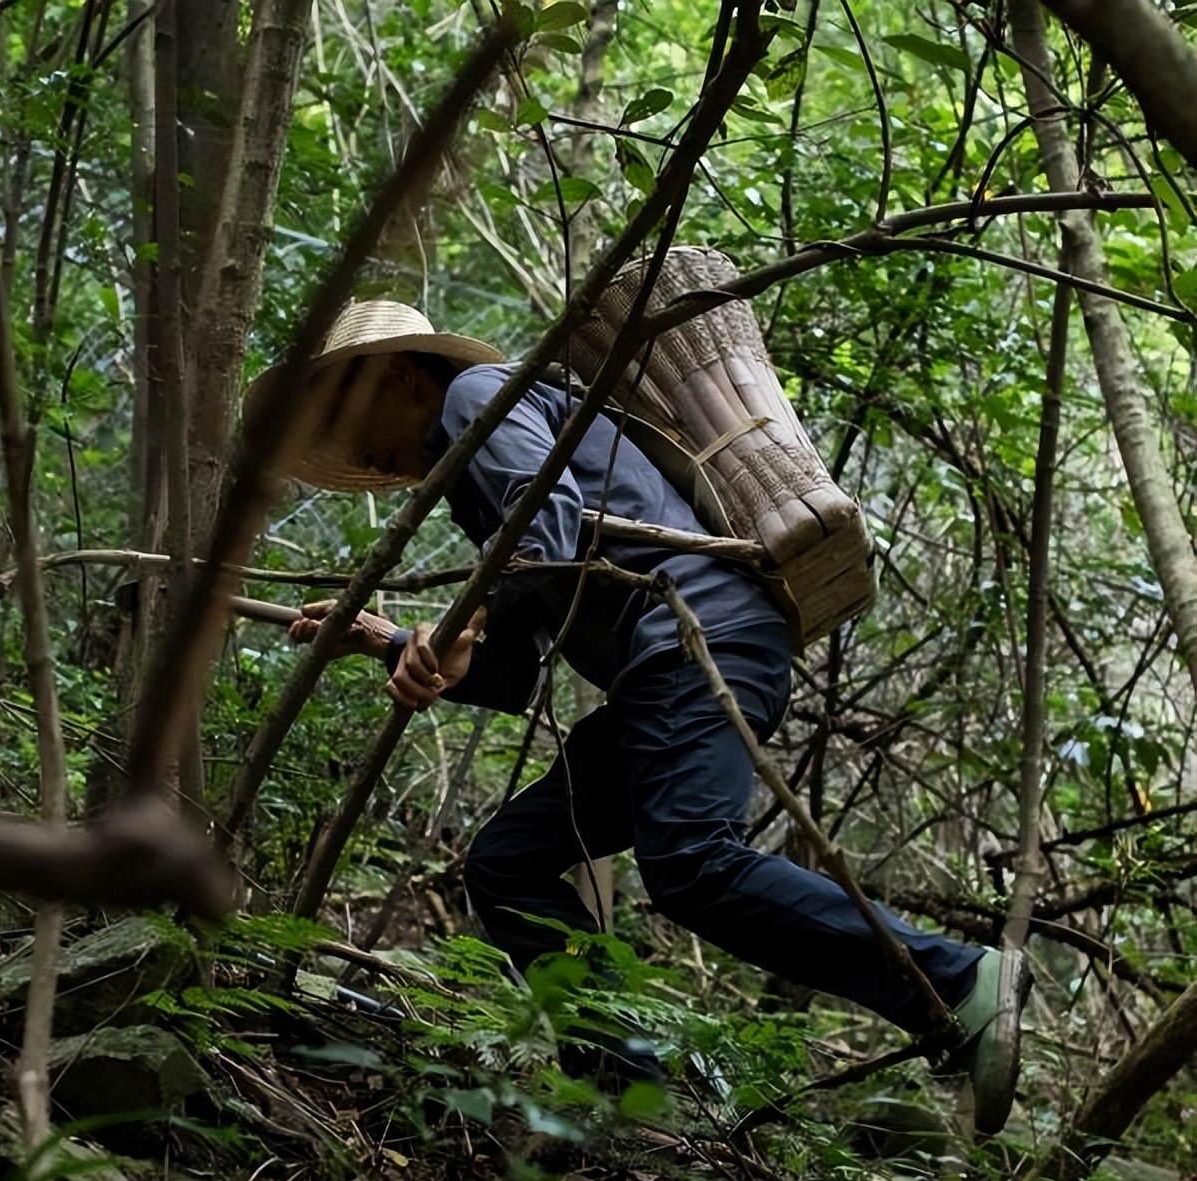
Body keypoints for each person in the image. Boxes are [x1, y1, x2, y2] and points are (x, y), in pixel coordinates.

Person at [255, 299, 1032, 1134]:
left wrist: (452, 626)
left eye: (345, 410)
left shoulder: (478, 394)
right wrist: (395, 641)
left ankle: (958, 979)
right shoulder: (473, 456)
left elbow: (538, 525)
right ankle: (629, 1090)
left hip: (699, 634)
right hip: (662, 666)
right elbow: (513, 659)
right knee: (508, 863)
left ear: (402, 375)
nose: (350, 443)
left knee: (693, 863)